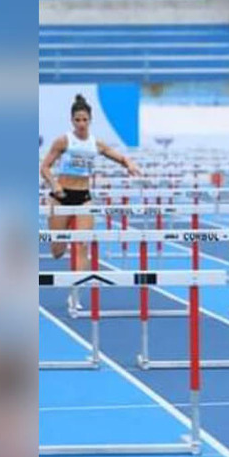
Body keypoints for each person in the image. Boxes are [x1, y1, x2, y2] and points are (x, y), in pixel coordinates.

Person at [39, 94, 143, 313]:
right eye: (77, 120)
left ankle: (74, 294)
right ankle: (62, 244)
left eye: (85, 120)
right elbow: (45, 167)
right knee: (57, 250)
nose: (81, 124)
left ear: (90, 120)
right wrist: (55, 184)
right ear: (72, 121)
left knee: (83, 245)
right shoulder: (63, 141)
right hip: (61, 197)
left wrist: (129, 163)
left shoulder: (96, 143)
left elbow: (118, 157)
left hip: (84, 197)